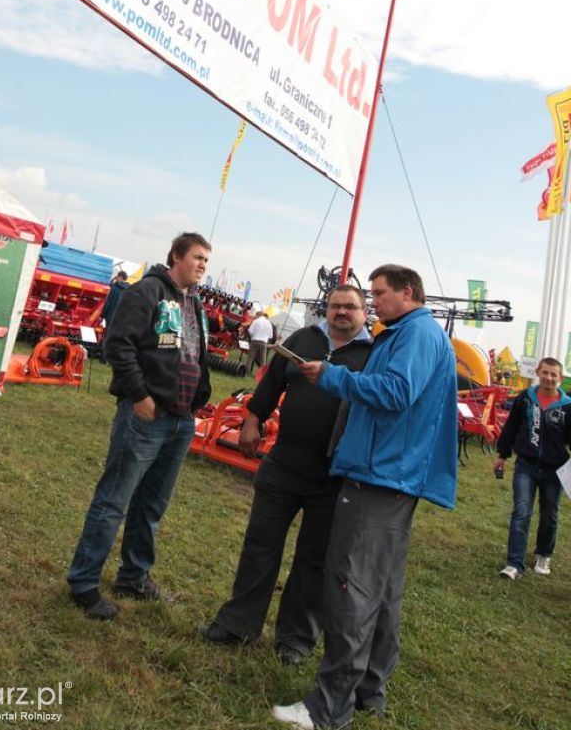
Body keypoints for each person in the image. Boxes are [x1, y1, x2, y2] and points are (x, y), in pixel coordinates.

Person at [272, 264, 457, 730]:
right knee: (381, 591)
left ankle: (327, 707)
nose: (373, 302)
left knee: (350, 588)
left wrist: (332, 377)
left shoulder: (415, 335)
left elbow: (396, 392)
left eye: (378, 293)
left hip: (380, 476)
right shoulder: (406, 333)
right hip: (390, 476)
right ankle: (368, 692)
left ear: (408, 292)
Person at [200, 286, 372, 664]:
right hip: (283, 465)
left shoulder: (372, 354)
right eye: (334, 306)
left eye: (350, 307)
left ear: (364, 311)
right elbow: (271, 383)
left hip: (333, 476)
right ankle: (237, 623)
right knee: (259, 546)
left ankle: (295, 639)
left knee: (314, 560)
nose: (341, 312)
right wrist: (252, 420)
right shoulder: (303, 339)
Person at [67, 232, 212, 620]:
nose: (202, 266)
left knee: (151, 505)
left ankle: (133, 576)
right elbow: (118, 344)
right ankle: (83, 583)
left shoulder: (195, 303)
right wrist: (139, 395)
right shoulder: (147, 291)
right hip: (147, 416)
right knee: (114, 499)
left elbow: (195, 356)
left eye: (206, 261)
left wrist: (198, 401)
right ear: (176, 256)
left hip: (181, 421)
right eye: (197, 257)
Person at [495, 356, 571, 579]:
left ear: (561, 378)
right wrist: (502, 455)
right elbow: (511, 426)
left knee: (549, 514)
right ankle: (514, 563)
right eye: (545, 372)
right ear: (538, 372)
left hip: (554, 470)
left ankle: (543, 554)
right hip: (526, 465)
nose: (548, 378)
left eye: (553, 375)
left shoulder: (568, 407)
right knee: (521, 511)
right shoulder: (525, 399)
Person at [246, 308, 274, 373]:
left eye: (255, 315)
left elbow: (250, 331)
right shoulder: (269, 323)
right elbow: (271, 336)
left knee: (250, 358)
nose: (255, 317)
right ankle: (262, 375)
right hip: (264, 342)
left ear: (258, 315)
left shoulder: (256, 321)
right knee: (263, 360)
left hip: (255, 341)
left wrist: (253, 336)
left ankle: (247, 372)